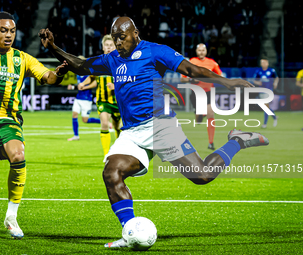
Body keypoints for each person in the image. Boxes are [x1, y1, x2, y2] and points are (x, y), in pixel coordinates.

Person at [39, 17, 269, 248]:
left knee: (202, 176)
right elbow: (82, 65)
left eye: (122, 36)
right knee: (111, 173)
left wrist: (226, 82)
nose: (118, 42)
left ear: (135, 33)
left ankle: (237, 140)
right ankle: (130, 232)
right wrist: (54, 48)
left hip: (161, 126)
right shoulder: (112, 59)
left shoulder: (155, 51)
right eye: (115, 37)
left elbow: (191, 69)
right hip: (132, 133)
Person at [0, 12, 67, 239]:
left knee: (18, 156)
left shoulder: (23, 58)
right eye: (3, 30)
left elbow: (47, 76)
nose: (8, 34)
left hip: (9, 120)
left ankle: (11, 216)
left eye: (12, 31)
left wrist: (58, 74)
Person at [181, 43, 222, 150]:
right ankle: (200, 114)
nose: (201, 52)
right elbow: (182, 78)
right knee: (198, 120)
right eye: (199, 50)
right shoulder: (191, 62)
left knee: (211, 114)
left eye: (203, 50)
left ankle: (211, 143)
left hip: (209, 92)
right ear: (196, 51)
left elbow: (220, 76)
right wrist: (191, 79)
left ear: (206, 51)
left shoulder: (212, 63)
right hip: (196, 93)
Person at [90, 34, 121, 155]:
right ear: (102, 47)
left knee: (118, 127)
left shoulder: (120, 62)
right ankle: (106, 154)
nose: (108, 47)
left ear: (115, 47)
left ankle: (119, 150)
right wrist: (83, 85)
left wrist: (115, 86)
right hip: (103, 100)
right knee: (104, 124)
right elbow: (91, 77)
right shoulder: (97, 62)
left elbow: (128, 81)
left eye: (111, 45)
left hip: (117, 101)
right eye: (106, 45)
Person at [67, 74, 100, 141]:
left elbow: (94, 84)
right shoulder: (78, 74)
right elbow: (80, 86)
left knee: (85, 120)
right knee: (74, 115)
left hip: (86, 99)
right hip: (78, 98)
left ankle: (103, 121)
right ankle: (76, 136)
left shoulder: (88, 73)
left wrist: (85, 87)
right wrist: (73, 87)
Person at [253, 57, 279, 128]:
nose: (263, 64)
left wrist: (275, 83)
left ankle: (264, 124)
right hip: (261, 91)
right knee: (265, 107)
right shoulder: (258, 71)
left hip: (269, 91)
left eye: (264, 62)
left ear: (267, 63)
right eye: (261, 62)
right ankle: (274, 117)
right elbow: (254, 80)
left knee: (265, 106)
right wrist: (258, 82)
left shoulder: (271, 70)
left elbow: (276, 78)